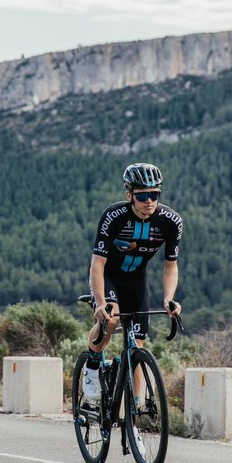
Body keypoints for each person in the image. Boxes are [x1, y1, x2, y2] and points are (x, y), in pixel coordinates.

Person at [80, 162, 183, 404]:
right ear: (129, 195)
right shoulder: (114, 216)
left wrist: (168, 299)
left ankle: (134, 413)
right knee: (112, 317)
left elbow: (171, 266)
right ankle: (92, 365)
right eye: (143, 195)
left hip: (137, 279)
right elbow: (97, 263)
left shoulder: (171, 222)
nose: (150, 201)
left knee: (136, 345)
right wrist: (100, 302)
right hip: (109, 275)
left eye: (155, 194)